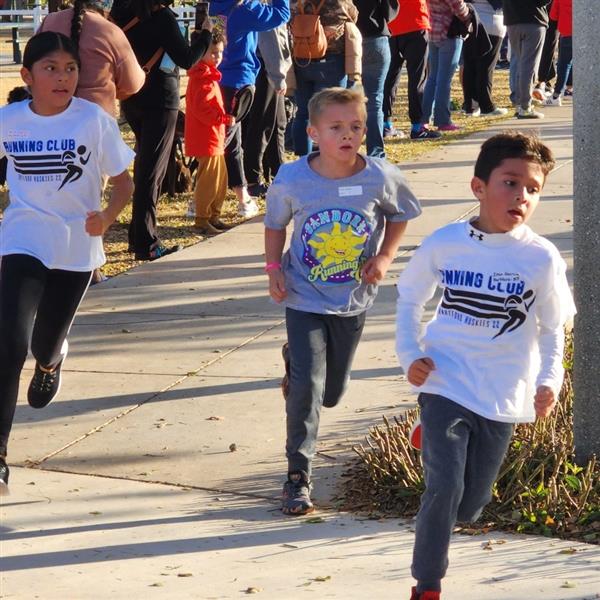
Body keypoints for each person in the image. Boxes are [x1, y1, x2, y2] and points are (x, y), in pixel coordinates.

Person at [395, 132, 575, 600]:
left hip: (502, 392)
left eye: (533, 189)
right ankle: (427, 586)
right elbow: (410, 298)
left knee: (470, 505)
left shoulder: (540, 257)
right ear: (479, 187)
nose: (522, 196)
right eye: (511, 183)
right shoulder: (446, 243)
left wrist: (549, 380)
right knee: (444, 488)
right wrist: (411, 356)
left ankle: (429, 445)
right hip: (445, 379)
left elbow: (554, 328)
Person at [264, 87, 421, 515]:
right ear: (313, 132)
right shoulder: (293, 178)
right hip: (303, 295)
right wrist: (274, 270)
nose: (348, 135)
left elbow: (400, 215)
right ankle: (298, 476)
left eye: (356, 127)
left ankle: (297, 365)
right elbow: (276, 224)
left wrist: (385, 257)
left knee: (332, 392)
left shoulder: (380, 176)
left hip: (352, 298)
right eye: (336, 127)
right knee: (308, 390)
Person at [0, 31, 135, 493]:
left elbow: (123, 184)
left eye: (70, 69)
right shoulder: (9, 120)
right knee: (8, 344)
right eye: (51, 68)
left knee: (42, 343)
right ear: (28, 76)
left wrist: (108, 216)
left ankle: (52, 362)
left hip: (76, 247)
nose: (62, 77)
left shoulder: (92, 120)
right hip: (22, 237)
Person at [110, 0, 213, 261]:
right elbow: (186, 59)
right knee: (151, 172)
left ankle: (138, 236)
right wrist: (205, 37)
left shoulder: (121, 12)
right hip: (161, 98)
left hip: (132, 97)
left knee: (145, 166)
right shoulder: (163, 17)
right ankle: (146, 242)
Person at [209, 0, 291, 217]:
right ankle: (225, 198)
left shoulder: (217, 6)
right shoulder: (246, 10)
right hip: (238, 80)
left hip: (219, 77)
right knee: (228, 140)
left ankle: (234, 193)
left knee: (227, 140)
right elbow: (281, 15)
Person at [39, 0, 145, 117]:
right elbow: (133, 85)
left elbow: (32, 67)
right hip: (97, 123)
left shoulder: (49, 22)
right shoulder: (110, 31)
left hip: (50, 120)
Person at [290, 0, 359, 156]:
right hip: (332, 58)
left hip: (302, 57)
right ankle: (329, 156)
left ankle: (303, 158)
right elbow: (353, 15)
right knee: (332, 112)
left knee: (303, 113)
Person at [184, 30, 235, 236]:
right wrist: (224, 119)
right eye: (213, 52)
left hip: (214, 135)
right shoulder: (202, 77)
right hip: (207, 136)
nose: (217, 56)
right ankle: (202, 218)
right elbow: (203, 109)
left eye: (220, 52)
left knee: (220, 178)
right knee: (209, 179)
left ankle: (213, 215)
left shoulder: (209, 75)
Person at [242, 23, 293, 197]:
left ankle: (280, 174)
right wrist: (278, 77)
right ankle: (253, 180)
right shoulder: (266, 5)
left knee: (278, 122)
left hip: (265, 66)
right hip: (265, 67)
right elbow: (269, 40)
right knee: (262, 124)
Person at [383, 0, 441, 140]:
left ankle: (385, 124)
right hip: (415, 24)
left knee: (389, 79)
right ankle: (417, 127)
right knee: (417, 79)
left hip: (391, 26)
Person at [352, 0, 399, 157]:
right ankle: (376, 152)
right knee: (375, 101)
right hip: (376, 37)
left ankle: (348, 149)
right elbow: (390, 12)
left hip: (350, 39)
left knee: (346, 100)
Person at [421, 0, 472, 132]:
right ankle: (443, 120)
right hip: (448, 31)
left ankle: (424, 118)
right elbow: (458, 5)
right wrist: (468, 15)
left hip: (432, 29)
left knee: (433, 78)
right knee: (444, 80)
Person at [503, 0, 552, 119]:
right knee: (529, 67)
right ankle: (525, 106)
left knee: (521, 64)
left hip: (512, 21)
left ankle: (520, 104)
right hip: (533, 20)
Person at [461, 0, 508, 116]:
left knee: (470, 66)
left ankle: (470, 103)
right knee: (486, 67)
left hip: (471, 21)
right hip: (491, 21)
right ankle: (486, 105)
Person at [543, 0, 571, 106]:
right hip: (586, 35)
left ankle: (556, 95)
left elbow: (553, 16)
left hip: (567, 32)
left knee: (564, 65)